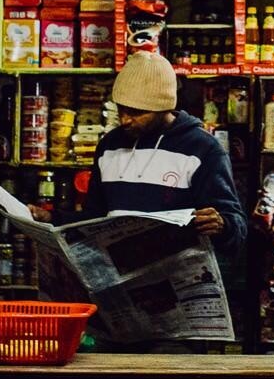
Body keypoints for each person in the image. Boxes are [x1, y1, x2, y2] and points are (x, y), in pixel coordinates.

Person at [80, 50, 246, 260]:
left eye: (137, 112)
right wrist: (51, 218)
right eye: (121, 110)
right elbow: (92, 217)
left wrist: (223, 225)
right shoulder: (109, 145)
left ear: (164, 107)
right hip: (117, 275)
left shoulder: (203, 148)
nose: (125, 120)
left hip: (179, 278)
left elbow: (237, 230)